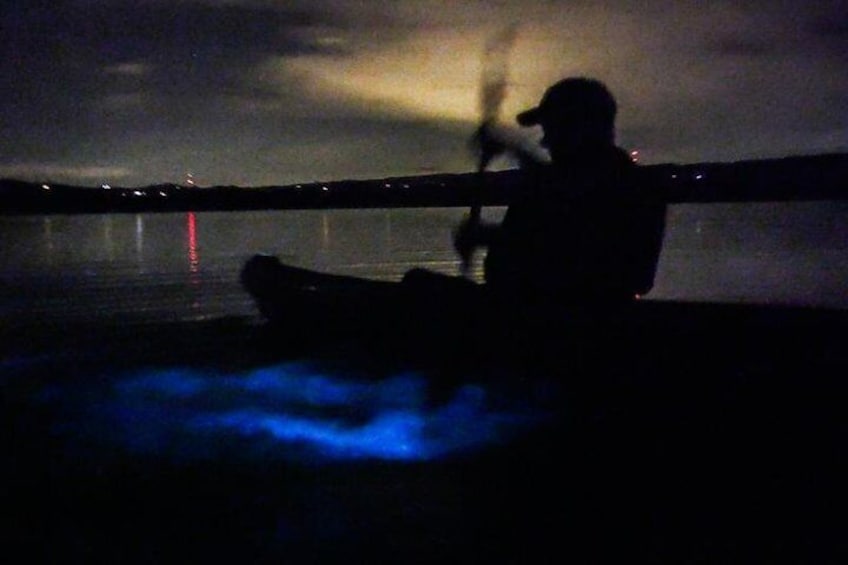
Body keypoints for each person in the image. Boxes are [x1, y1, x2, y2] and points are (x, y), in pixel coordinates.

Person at [412, 77, 667, 314]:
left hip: (558, 331)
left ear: (581, 129)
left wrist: (490, 237)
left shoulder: (625, 189)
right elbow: (562, 191)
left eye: (553, 130)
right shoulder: (568, 183)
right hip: (523, 318)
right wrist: (512, 149)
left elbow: (575, 249)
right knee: (419, 283)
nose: (546, 143)